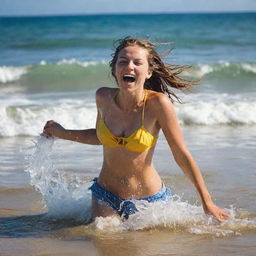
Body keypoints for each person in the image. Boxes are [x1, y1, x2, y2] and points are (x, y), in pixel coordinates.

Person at [43, 37, 230, 221]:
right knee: (105, 238)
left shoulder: (157, 104)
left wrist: (207, 202)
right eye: (122, 61)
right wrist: (61, 132)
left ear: (148, 72)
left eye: (137, 62)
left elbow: (181, 154)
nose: (129, 66)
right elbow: (99, 136)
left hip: (148, 201)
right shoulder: (103, 97)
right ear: (115, 69)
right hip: (105, 194)